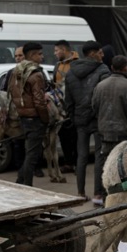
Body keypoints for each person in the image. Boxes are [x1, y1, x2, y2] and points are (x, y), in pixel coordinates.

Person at [92, 54, 127, 202]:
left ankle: (106, 197)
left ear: (112, 67)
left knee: (106, 165)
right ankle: (124, 198)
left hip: (105, 134)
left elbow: (94, 108)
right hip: (125, 135)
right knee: (125, 167)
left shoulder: (100, 86)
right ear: (126, 68)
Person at [64, 41, 110, 204]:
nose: (102, 55)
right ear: (93, 53)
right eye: (100, 52)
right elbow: (105, 97)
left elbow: (68, 100)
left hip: (80, 120)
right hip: (98, 119)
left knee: (81, 156)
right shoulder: (103, 70)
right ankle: (98, 194)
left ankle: (80, 193)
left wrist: (74, 117)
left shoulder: (70, 72)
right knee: (99, 156)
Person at [7, 42, 50, 186]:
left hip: (23, 116)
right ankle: (27, 186)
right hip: (35, 119)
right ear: (32, 55)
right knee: (32, 156)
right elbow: (39, 101)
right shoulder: (36, 74)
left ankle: (20, 181)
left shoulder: (17, 71)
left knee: (29, 153)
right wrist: (45, 119)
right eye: (40, 54)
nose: (42, 57)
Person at [52, 40, 78, 174]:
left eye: (57, 50)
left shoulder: (77, 64)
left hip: (75, 107)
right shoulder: (57, 66)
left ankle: (78, 164)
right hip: (60, 108)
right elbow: (54, 85)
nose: (55, 53)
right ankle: (68, 163)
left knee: (76, 137)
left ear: (64, 50)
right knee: (63, 135)